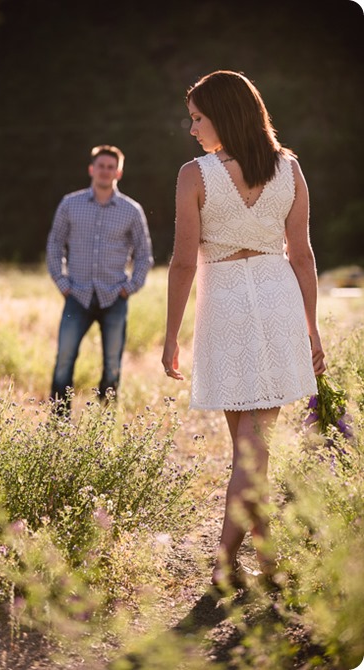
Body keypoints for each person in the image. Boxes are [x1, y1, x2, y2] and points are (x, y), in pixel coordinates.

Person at [161, 70, 326, 590]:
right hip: (278, 299)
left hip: (226, 304)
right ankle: (267, 557)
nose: (192, 130)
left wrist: (170, 336)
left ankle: (223, 561)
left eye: (198, 118)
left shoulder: (195, 174)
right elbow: (301, 256)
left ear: (224, 115)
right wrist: (311, 329)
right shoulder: (291, 170)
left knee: (250, 449)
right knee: (252, 450)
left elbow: (183, 263)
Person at [47, 144, 153, 412]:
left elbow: (144, 254)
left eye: (111, 167)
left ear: (118, 172)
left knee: (113, 365)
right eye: (101, 166)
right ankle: (58, 426)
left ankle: (103, 425)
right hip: (77, 296)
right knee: (64, 360)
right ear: (91, 169)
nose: (105, 171)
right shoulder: (70, 204)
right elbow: (54, 244)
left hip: (114, 298)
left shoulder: (131, 210)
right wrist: (63, 283)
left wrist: (129, 288)